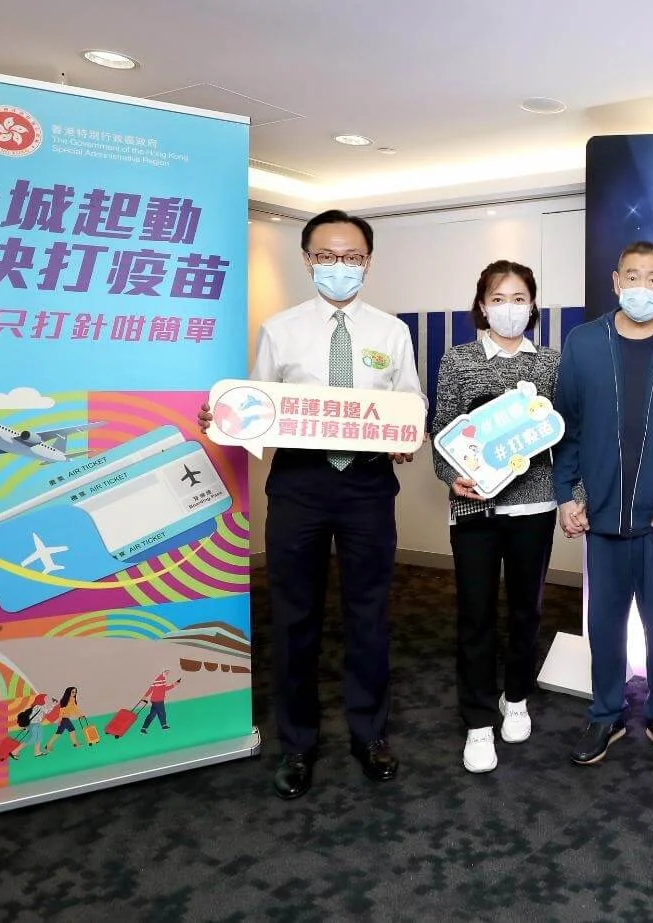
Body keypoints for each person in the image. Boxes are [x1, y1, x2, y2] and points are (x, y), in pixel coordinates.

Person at [197, 209, 423, 800]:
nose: (338, 266)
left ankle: (370, 734)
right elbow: (255, 406)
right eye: (326, 256)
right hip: (299, 483)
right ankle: (297, 745)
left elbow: (410, 403)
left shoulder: (391, 332)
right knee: (294, 616)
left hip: (368, 484)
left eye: (351, 257)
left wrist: (406, 436)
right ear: (307, 260)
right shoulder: (280, 330)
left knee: (369, 614)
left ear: (368, 262)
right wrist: (223, 417)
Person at [553, 241, 653, 766]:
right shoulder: (583, 342)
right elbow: (567, 430)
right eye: (632, 276)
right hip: (602, 518)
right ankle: (606, 715)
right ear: (615, 280)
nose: (641, 287)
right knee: (604, 627)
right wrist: (566, 495)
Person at [431, 260, 562, 774]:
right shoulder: (458, 360)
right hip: (474, 508)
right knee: (476, 614)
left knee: (527, 609)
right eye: (499, 298)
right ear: (482, 306)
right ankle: (479, 721)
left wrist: (573, 495)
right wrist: (451, 476)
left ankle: (517, 696)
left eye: (519, 298)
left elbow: (563, 436)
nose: (509, 308)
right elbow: (441, 432)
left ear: (533, 305)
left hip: (534, 506)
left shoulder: (550, 363)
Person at [46, 686, 84, 752]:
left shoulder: (72, 699)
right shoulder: (65, 700)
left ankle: (48, 745)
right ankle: (75, 743)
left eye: (75, 692)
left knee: (60, 732)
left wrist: (80, 715)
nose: (74, 693)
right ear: (69, 692)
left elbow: (75, 708)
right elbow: (61, 711)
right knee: (70, 731)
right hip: (64, 719)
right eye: (73, 692)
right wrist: (60, 720)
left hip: (66, 718)